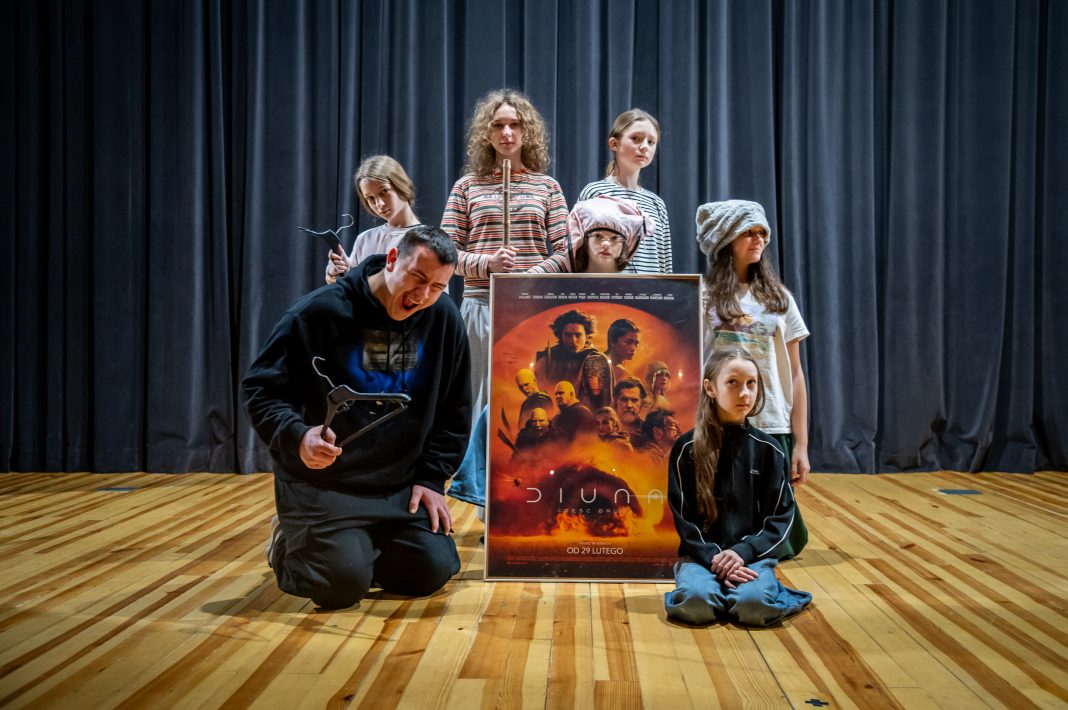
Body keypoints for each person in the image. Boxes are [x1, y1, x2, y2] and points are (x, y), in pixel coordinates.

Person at [243, 226, 471, 610]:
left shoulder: (443, 318)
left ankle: (356, 551)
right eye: (417, 278)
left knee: (432, 570)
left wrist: (432, 478)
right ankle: (289, 542)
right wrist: (297, 436)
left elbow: (455, 408)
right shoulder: (319, 312)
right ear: (393, 259)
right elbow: (261, 389)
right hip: (325, 484)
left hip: (398, 485)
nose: (422, 295)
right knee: (339, 586)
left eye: (436, 287)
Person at [442, 89, 570, 421]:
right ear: (487, 132)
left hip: (532, 304)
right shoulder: (466, 187)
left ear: (527, 131)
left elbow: (567, 252)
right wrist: (487, 264)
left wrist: (531, 275)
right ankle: (475, 457)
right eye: (498, 125)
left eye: (515, 124)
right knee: (477, 394)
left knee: (527, 393)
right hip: (481, 304)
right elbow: (445, 253)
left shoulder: (548, 187)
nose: (507, 133)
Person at [664, 346, 811, 626]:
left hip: (752, 557)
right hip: (701, 556)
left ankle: (753, 593)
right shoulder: (686, 449)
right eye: (733, 382)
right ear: (710, 388)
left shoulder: (770, 450)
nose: (744, 393)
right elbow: (684, 518)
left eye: (751, 383)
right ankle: (711, 589)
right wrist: (715, 558)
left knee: (752, 607)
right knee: (696, 606)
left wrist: (742, 553)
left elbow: (781, 518)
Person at [696, 199, 811, 557]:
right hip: (720, 421)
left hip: (771, 420)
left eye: (762, 232)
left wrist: (802, 444)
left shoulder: (779, 299)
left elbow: (795, 373)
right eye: (748, 232)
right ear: (726, 240)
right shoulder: (703, 296)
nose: (758, 239)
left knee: (778, 531)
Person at [578, 109, 671, 273]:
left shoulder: (656, 203)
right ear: (614, 144)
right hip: (609, 288)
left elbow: (665, 262)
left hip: (651, 288)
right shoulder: (595, 192)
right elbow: (578, 250)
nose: (644, 147)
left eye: (651, 142)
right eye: (636, 139)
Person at [325, 155, 422, 284]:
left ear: (401, 184)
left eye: (384, 191)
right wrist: (336, 274)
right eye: (370, 198)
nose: (379, 204)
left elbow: (438, 294)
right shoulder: (365, 239)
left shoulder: (427, 241)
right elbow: (350, 289)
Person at [533, 310, 601, 391]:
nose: (573, 340)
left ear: (586, 336)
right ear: (561, 336)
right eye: (568, 335)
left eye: (578, 335)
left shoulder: (596, 360)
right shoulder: (547, 361)